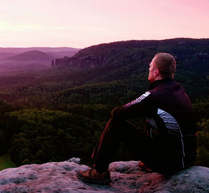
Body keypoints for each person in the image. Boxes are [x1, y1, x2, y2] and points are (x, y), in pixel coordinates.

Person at [77, 52, 197, 185]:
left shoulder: (155, 96)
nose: (149, 68)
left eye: (150, 66)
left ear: (156, 72)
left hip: (170, 164)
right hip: (186, 159)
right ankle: (150, 163)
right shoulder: (178, 89)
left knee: (116, 123)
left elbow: (117, 113)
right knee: (155, 119)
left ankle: (99, 172)